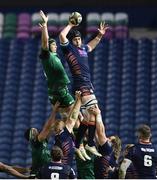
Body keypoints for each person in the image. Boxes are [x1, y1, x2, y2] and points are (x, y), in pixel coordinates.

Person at [59, 13, 108, 158]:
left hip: (88, 84)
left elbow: (90, 46)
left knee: (88, 119)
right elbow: (62, 36)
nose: (77, 41)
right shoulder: (69, 49)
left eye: (79, 38)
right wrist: (70, 25)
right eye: (74, 39)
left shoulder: (83, 49)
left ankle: (79, 144)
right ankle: (90, 144)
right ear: (71, 41)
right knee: (95, 111)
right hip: (81, 85)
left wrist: (99, 36)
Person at [38, 10, 74, 118]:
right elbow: (45, 41)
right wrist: (45, 25)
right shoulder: (47, 55)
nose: (56, 46)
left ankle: (70, 134)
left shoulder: (53, 57)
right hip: (60, 90)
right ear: (49, 47)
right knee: (77, 116)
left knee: (66, 118)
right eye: (53, 45)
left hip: (54, 90)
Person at [24, 101, 60, 176]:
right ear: (31, 136)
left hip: (44, 172)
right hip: (38, 174)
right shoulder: (35, 142)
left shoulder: (42, 141)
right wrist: (54, 111)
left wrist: (55, 125)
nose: (36, 130)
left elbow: (50, 128)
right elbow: (47, 127)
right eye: (33, 130)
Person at [89, 106, 121, 179]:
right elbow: (96, 135)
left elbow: (100, 132)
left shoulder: (108, 150)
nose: (106, 139)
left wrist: (98, 114)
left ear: (113, 145)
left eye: (109, 139)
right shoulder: (109, 154)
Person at [53, 91, 82, 170]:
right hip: (65, 170)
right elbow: (73, 117)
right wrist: (78, 100)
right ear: (60, 128)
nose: (64, 122)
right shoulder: (64, 134)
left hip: (62, 169)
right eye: (62, 122)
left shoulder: (58, 138)